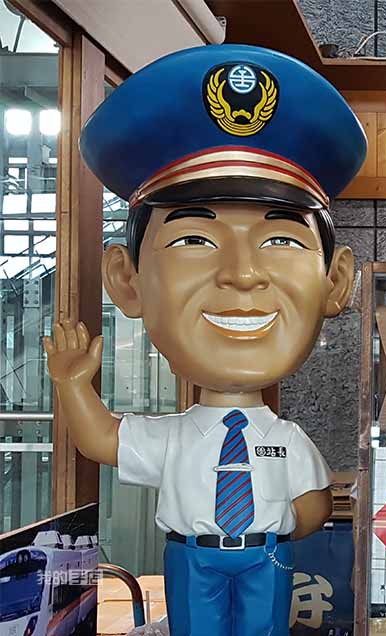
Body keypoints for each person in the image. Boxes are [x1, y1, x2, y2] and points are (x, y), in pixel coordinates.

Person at [43, 44, 366, 636]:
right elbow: (103, 439)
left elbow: (314, 506)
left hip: (266, 554)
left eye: (281, 241)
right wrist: (72, 386)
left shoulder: (286, 439)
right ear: (127, 280)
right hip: (192, 556)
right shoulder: (172, 435)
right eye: (194, 240)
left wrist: (280, 522)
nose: (242, 275)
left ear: (336, 282)